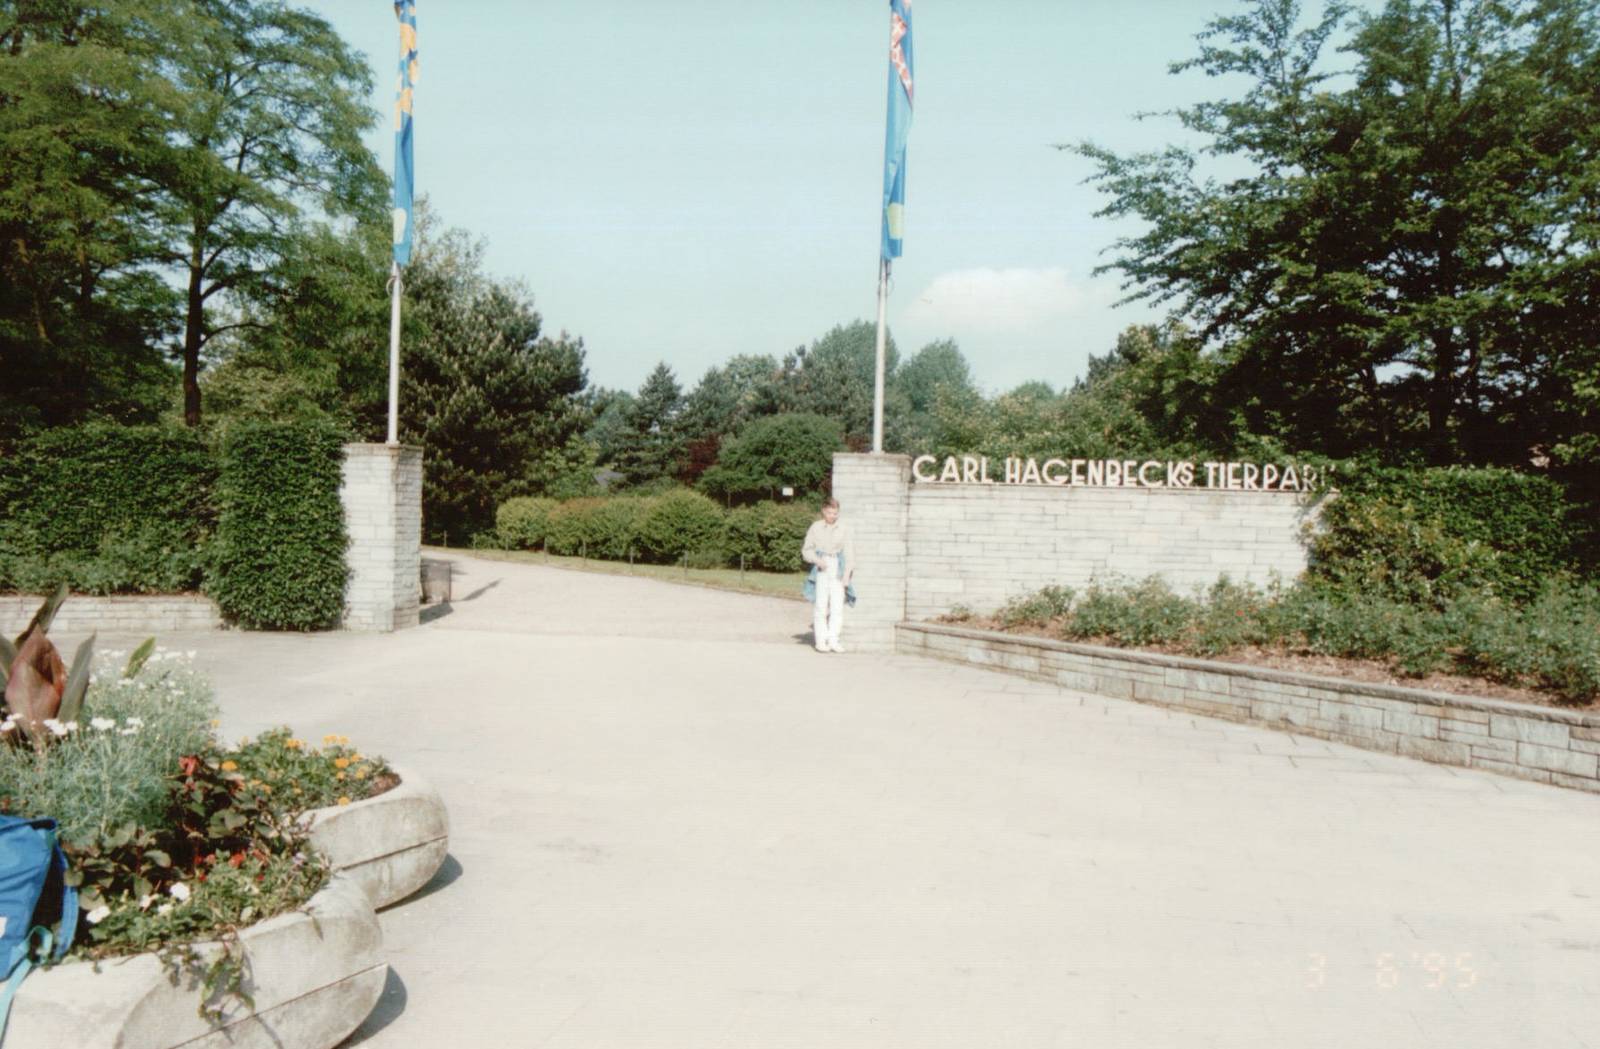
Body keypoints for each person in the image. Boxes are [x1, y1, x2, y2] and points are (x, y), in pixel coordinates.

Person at [801, 497, 855, 653]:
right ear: (824, 511)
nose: (833, 515)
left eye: (836, 513)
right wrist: (817, 560)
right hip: (822, 566)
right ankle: (821, 640)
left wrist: (846, 575)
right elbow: (807, 550)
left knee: (837, 606)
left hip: (838, 566)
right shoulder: (815, 527)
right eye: (830, 512)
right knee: (821, 605)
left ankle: (834, 640)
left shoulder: (844, 529)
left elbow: (849, 553)